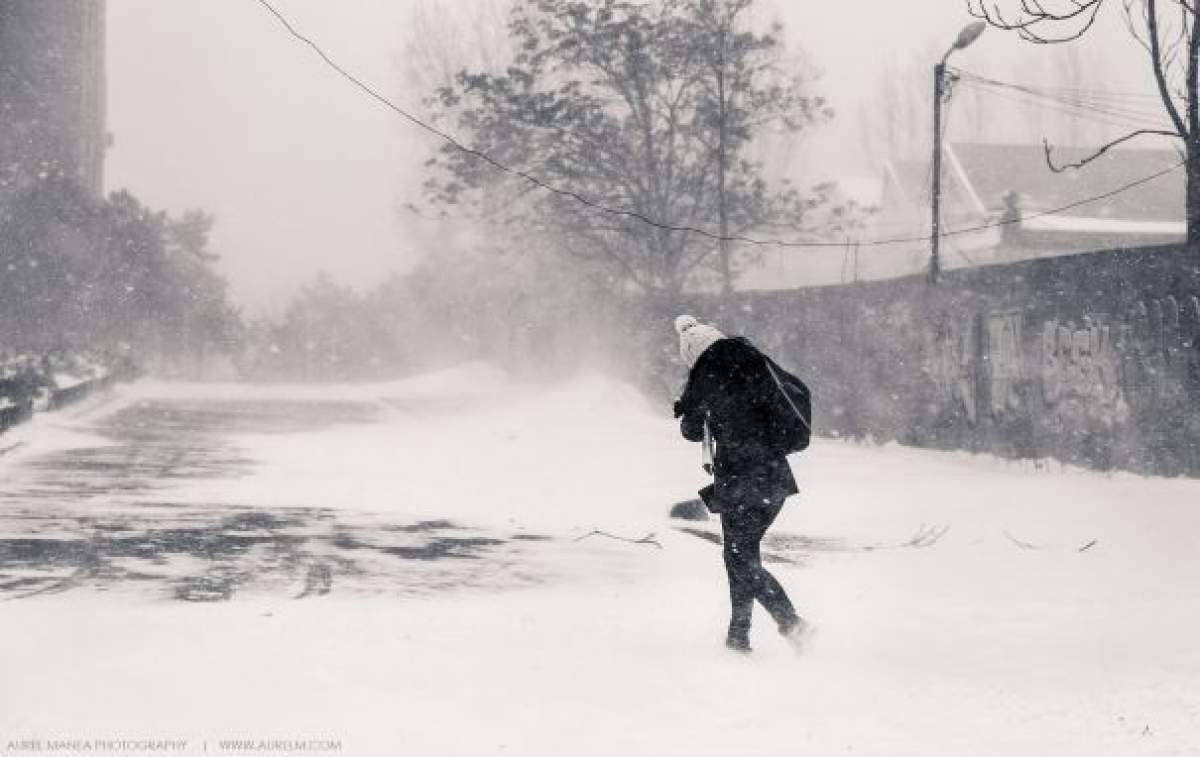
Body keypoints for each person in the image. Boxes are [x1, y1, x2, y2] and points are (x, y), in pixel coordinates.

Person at [672, 315, 810, 653]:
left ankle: (791, 624)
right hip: (773, 477)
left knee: (740, 558)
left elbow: (689, 431)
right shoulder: (755, 365)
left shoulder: (708, 377)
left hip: (740, 479)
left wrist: (692, 406)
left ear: (694, 353)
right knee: (742, 556)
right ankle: (739, 636)